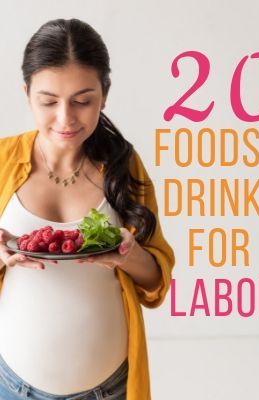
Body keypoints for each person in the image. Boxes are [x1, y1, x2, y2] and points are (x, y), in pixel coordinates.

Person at [0, 18, 175, 400]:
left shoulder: (123, 166)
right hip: (10, 385)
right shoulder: (1, 159)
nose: (65, 118)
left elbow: (155, 285)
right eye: (48, 101)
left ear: (105, 95)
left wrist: (127, 254)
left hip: (109, 389)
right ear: (26, 93)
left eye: (83, 100)